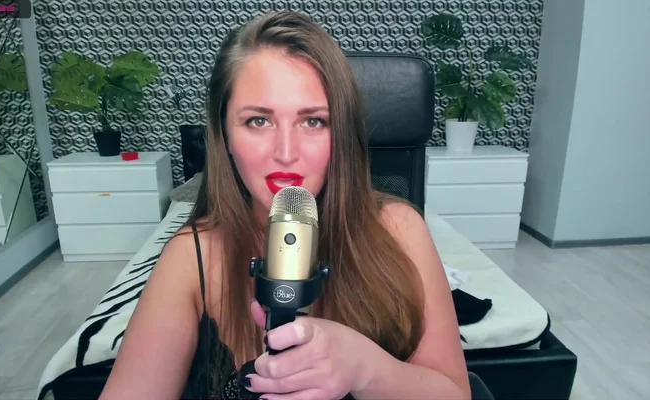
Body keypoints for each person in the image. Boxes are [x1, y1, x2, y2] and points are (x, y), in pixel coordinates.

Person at [99, 10, 470, 400]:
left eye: (313, 122)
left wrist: (366, 368)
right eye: (259, 121)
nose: (287, 153)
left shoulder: (400, 228)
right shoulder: (192, 256)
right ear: (225, 135)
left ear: (342, 132)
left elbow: (455, 392)